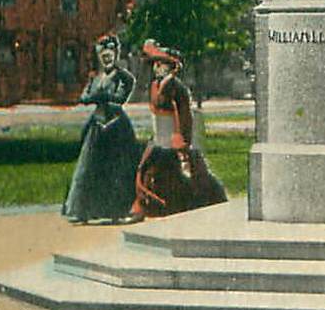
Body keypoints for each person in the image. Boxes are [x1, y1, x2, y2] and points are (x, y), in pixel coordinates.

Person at [130, 40, 227, 219]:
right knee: (145, 169)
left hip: (173, 139)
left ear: (171, 67)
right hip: (159, 138)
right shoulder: (154, 86)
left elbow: (183, 117)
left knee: (177, 175)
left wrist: (181, 140)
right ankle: (144, 207)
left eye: (161, 64)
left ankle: (176, 208)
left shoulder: (177, 89)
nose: (157, 68)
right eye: (155, 64)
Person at [61, 34, 139, 224]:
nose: (107, 57)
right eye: (103, 54)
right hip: (97, 125)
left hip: (116, 126)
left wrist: (99, 95)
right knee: (89, 168)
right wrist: (100, 95)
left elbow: (119, 97)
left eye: (110, 53)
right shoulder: (95, 77)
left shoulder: (124, 77)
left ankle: (116, 210)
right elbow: (85, 97)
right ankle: (83, 211)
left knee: (116, 168)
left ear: (116, 54)